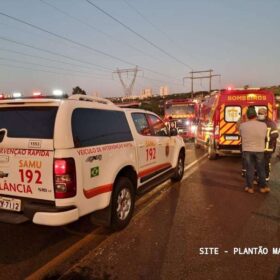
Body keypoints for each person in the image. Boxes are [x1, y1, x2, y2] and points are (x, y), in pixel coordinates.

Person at [239, 106, 268, 193]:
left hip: (247, 150)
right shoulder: (263, 125)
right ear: (256, 115)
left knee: (249, 169)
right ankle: (263, 187)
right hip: (259, 150)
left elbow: (241, 135)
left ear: (247, 116)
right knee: (261, 169)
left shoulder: (242, 126)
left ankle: (250, 187)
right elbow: (264, 136)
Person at [257, 108, 279, 181]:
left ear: (266, 114)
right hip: (257, 147)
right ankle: (259, 175)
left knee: (266, 163)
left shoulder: (270, 123)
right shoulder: (256, 121)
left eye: (261, 113)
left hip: (267, 147)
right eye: (259, 113)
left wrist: (266, 138)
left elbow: (275, 134)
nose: (260, 115)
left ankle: (266, 176)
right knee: (258, 162)